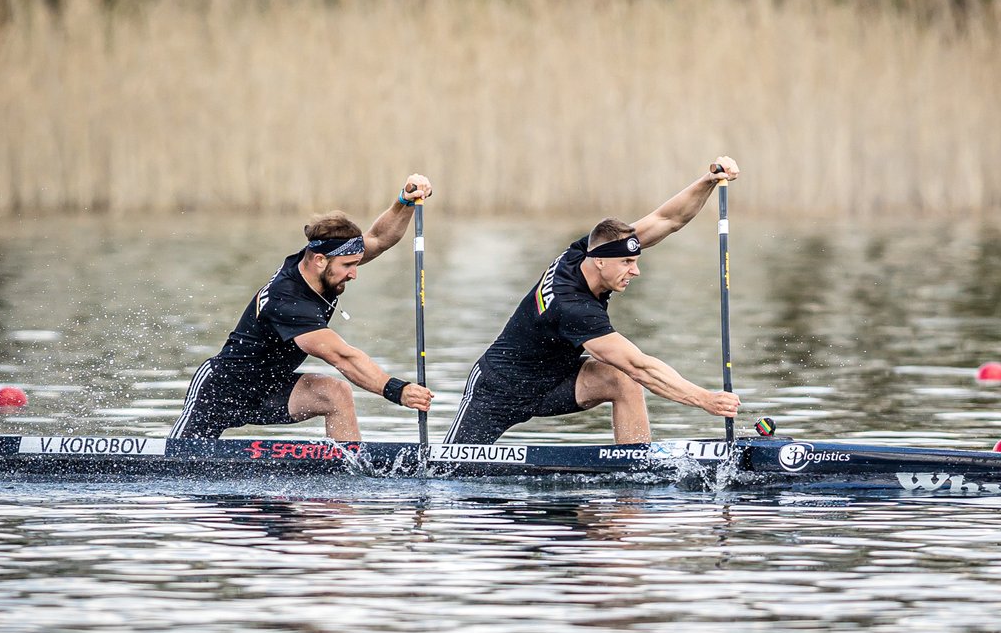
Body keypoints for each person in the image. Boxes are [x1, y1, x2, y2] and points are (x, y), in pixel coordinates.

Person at [444, 158, 742, 445]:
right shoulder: (572, 307)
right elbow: (641, 366)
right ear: (600, 262)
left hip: (556, 382)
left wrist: (708, 181)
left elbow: (667, 219)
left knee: (621, 380)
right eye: (627, 262)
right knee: (448, 469)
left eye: (635, 260)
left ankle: (636, 466)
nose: (635, 271)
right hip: (498, 390)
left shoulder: (582, 251)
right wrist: (706, 399)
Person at [170, 176, 435, 441]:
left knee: (335, 394)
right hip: (222, 390)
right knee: (175, 466)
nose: (354, 274)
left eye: (356, 263)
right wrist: (397, 390)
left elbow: (378, 238)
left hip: (274, 387)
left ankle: (348, 471)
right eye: (348, 266)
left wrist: (404, 202)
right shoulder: (287, 301)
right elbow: (342, 357)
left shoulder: (321, 261)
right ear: (320, 261)